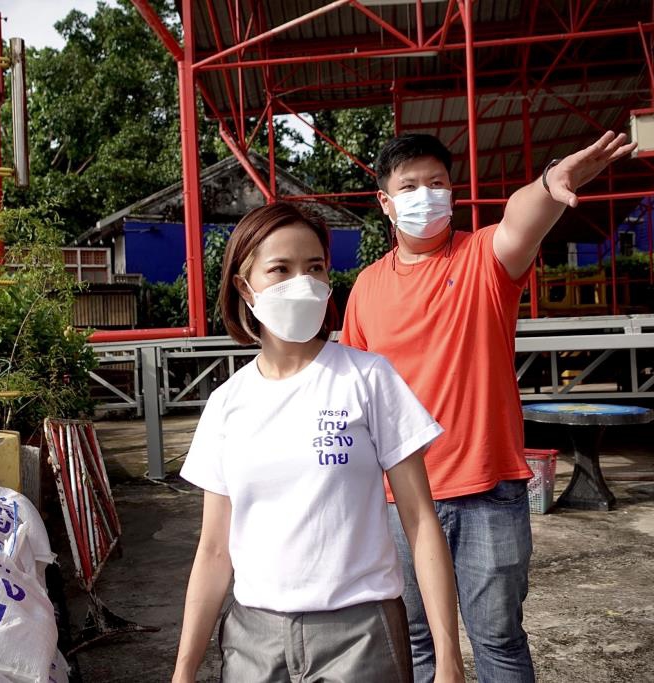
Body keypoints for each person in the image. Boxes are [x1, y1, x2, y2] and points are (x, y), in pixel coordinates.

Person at [341, 131, 636, 682]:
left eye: (437, 183)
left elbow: (522, 217)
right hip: (398, 498)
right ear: (385, 202)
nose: (425, 195)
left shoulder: (482, 258)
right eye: (409, 186)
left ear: (453, 192)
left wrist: (550, 183)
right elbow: (355, 396)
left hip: (487, 490)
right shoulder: (366, 288)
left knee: (498, 640)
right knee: (417, 642)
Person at [172, 202, 465, 683]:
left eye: (314, 268)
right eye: (280, 270)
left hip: (361, 636)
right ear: (245, 287)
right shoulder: (227, 404)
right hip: (252, 641)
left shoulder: (369, 378)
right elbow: (213, 550)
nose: (301, 283)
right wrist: (184, 671)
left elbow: (419, 519)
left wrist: (448, 657)